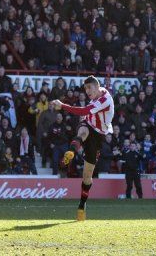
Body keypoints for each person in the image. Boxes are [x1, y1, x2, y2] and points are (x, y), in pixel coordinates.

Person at [51, 75, 114, 221]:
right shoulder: (99, 92)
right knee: (83, 131)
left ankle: (82, 204)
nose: (86, 91)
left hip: (99, 136)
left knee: (87, 176)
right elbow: (86, 114)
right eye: (85, 88)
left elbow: (84, 111)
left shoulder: (105, 100)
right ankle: (71, 152)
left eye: (89, 88)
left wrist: (63, 105)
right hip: (88, 125)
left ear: (97, 87)